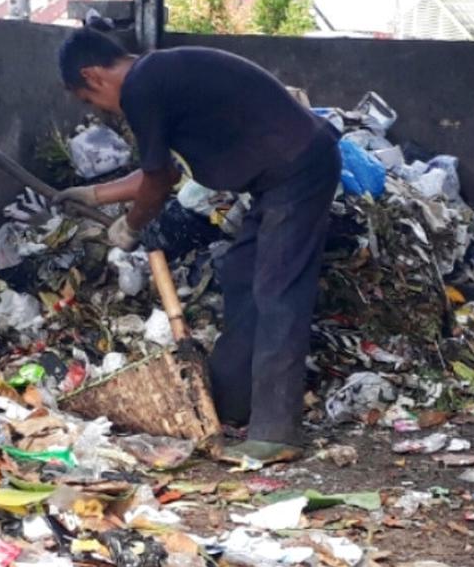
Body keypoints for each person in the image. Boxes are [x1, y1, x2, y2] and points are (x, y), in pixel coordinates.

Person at [55, 29, 340, 463]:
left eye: (89, 100)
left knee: (278, 290)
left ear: (91, 77)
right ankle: (231, 404)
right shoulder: (158, 76)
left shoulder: (142, 87)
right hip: (277, 178)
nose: (99, 110)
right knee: (241, 275)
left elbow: (157, 182)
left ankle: (276, 432)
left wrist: (131, 227)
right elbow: (165, 171)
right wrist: (94, 195)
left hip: (297, 169)